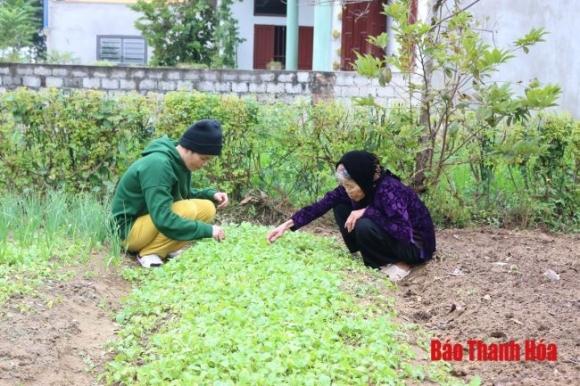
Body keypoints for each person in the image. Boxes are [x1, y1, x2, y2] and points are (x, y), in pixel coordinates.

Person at [267, 150, 436, 281]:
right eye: (344, 186)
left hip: (415, 244)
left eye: (350, 186)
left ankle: (400, 264)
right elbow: (321, 205)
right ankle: (365, 248)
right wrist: (287, 225)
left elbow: (402, 231)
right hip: (393, 235)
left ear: (362, 179)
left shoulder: (389, 189)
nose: (347, 191)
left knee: (364, 223)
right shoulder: (357, 187)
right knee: (339, 204)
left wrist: (366, 211)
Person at [111, 119, 229, 268]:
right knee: (187, 210)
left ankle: (168, 248)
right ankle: (149, 253)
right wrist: (208, 230)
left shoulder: (178, 160)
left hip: (148, 220)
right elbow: (163, 218)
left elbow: (182, 194)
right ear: (188, 149)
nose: (203, 164)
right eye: (203, 158)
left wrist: (211, 194)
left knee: (207, 208)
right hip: (126, 232)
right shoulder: (158, 164)